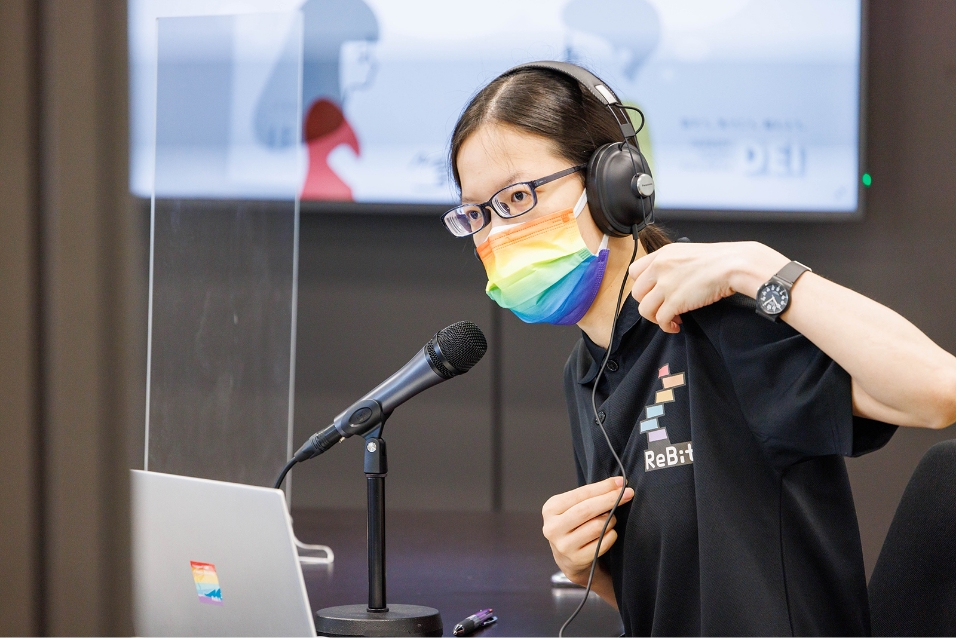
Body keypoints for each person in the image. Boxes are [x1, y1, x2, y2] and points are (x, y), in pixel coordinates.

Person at [441, 63, 956, 636]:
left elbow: (941, 391)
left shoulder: (726, 323)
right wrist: (586, 564)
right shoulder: (587, 369)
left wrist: (759, 268)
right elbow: (671, 592)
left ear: (610, 182)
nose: (498, 232)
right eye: (477, 214)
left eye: (517, 196)